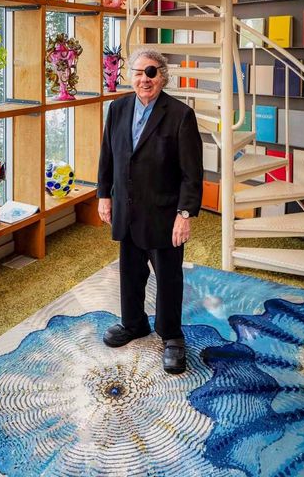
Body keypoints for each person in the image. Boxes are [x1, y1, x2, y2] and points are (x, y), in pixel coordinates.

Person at [97, 48, 203, 374]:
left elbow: (191, 173)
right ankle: (134, 324)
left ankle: (171, 336)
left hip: (164, 214)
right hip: (127, 210)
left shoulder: (180, 115)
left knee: (168, 277)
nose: (146, 79)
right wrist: (104, 195)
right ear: (131, 75)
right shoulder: (117, 108)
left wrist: (184, 214)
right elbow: (108, 156)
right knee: (130, 271)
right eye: (140, 72)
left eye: (152, 72)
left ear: (163, 76)